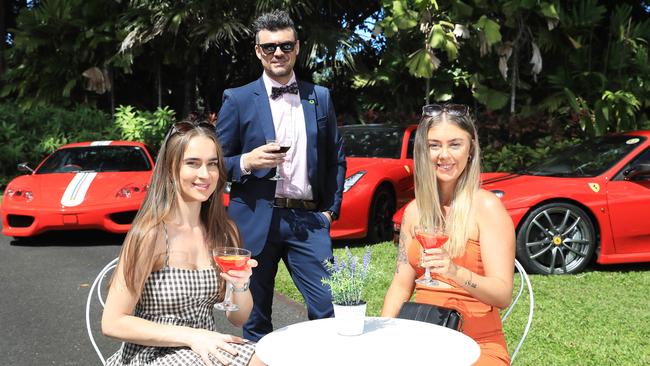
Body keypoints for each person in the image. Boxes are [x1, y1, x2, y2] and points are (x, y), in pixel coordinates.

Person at [216, 10, 346, 341]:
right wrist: (247, 160)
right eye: (270, 47)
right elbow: (215, 163)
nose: (278, 53)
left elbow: (336, 159)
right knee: (254, 317)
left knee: (329, 309)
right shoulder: (238, 99)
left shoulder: (321, 97)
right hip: (255, 220)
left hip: (308, 221)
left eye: (285, 46)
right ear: (258, 51)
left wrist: (330, 212)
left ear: (297, 48)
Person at [102, 116, 265, 366]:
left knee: (268, 358)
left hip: (205, 347)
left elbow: (238, 319)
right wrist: (192, 336)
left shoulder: (225, 230)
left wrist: (240, 285)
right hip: (152, 353)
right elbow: (112, 322)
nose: (205, 174)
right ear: (171, 169)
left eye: (212, 164)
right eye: (192, 163)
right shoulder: (151, 234)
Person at [381, 104, 515, 365]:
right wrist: (384, 337)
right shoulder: (414, 212)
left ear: (471, 148)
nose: (444, 155)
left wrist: (454, 272)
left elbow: (502, 295)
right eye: (434, 145)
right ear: (423, 150)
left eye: (455, 144)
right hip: (422, 337)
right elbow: (400, 287)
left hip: (478, 343)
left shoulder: (487, 207)